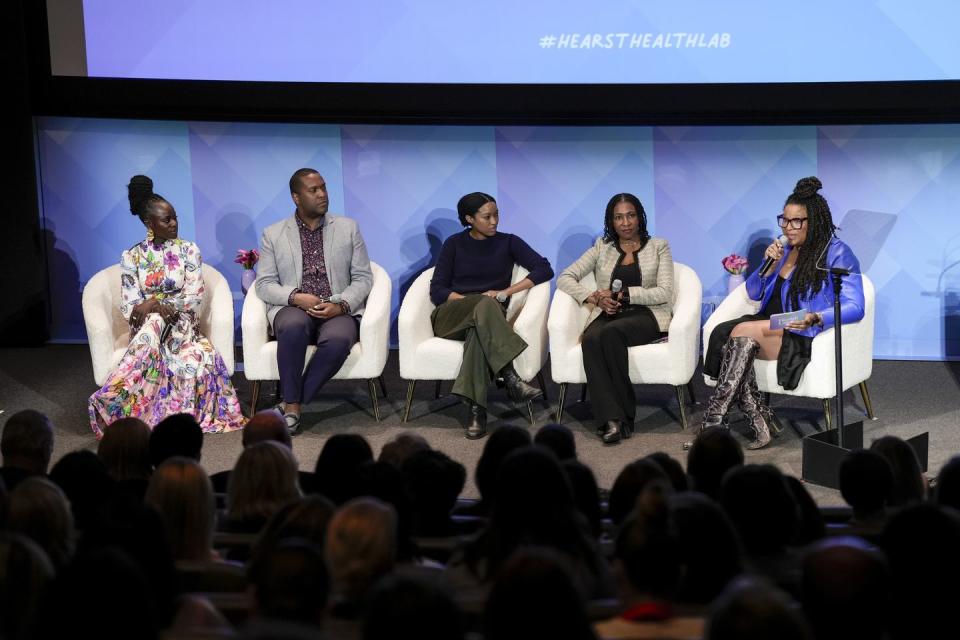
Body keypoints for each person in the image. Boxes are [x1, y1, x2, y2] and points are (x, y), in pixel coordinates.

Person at [695, 176, 865, 450]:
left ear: (815, 221)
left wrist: (818, 318)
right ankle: (753, 419)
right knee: (732, 335)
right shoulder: (783, 250)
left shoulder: (837, 253)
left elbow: (856, 306)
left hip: (798, 324)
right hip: (769, 322)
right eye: (784, 220)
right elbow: (752, 294)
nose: (788, 227)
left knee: (739, 333)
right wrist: (769, 266)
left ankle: (720, 424)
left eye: (797, 221)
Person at [88, 175, 244, 437]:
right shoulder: (132, 256)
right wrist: (151, 307)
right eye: (166, 219)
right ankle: (118, 400)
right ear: (150, 224)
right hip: (148, 327)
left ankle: (113, 398)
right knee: (153, 322)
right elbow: (130, 305)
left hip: (182, 324)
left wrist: (153, 303)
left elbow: (193, 296)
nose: (174, 223)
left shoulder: (189, 251)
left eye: (174, 217)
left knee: (157, 320)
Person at [256, 168, 373, 435]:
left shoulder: (347, 228)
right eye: (314, 190)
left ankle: (290, 402)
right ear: (296, 197)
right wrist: (296, 297)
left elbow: (363, 278)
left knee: (339, 340)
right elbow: (264, 284)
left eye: (324, 187)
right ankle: (294, 406)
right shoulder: (273, 234)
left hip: (337, 308)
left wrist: (341, 304)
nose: (322, 194)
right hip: (294, 307)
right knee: (293, 326)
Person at [429, 192, 553, 439]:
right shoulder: (453, 244)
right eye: (487, 217)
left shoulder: (509, 242)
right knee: (484, 305)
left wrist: (507, 291)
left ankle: (477, 411)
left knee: (480, 329)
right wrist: (472, 302)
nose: (494, 221)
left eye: (496, 215)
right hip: (452, 316)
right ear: (469, 219)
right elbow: (438, 290)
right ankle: (509, 376)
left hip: (487, 320)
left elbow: (544, 269)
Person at [557, 193, 674, 444]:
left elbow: (664, 291)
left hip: (647, 315)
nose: (626, 223)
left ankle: (624, 417)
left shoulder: (659, 246)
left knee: (610, 334)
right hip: (609, 313)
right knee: (591, 339)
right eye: (619, 217)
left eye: (630, 215)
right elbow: (565, 277)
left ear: (640, 217)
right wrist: (594, 297)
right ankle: (610, 419)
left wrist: (626, 295)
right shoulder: (602, 247)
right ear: (611, 221)